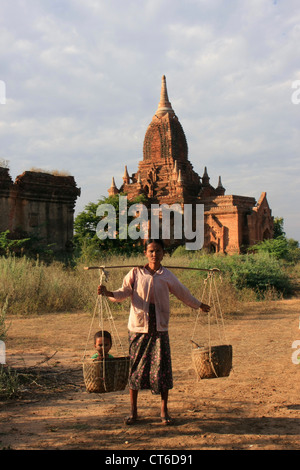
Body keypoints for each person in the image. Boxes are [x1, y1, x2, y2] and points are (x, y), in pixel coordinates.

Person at [97, 239, 210, 426]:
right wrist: (108, 293)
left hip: (159, 327)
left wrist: (198, 305)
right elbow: (123, 292)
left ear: (163, 253)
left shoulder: (167, 275)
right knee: (135, 369)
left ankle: (164, 411)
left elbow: (183, 293)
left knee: (162, 369)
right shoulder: (135, 272)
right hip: (138, 328)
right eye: (151, 251)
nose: (154, 254)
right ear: (145, 253)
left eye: (158, 251)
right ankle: (133, 412)